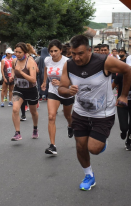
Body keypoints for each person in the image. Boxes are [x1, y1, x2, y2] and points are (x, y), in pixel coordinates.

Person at [58, 35, 131, 191]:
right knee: (80, 146)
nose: (76, 58)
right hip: (80, 111)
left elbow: (127, 70)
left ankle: (100, 142)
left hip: (103, 113)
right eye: (73, 53)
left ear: (89, 50)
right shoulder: (69, 65)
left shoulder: (104, 61)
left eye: (80, 53)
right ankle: (89, 175)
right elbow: (61, 89)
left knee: (94, 148)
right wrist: (68, 91)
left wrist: (123, 95)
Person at [41, 39, 74, 155]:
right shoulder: (47, 60)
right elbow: (46, 69)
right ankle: (52, 145)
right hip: (53, 91)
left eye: (56, 51)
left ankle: (70, 125)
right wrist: (45, 81)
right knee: (51, 116)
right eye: (51, 51)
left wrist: (62, 84)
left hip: (66, 91)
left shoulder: (67, 62)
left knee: (67, 115)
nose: (53, 53)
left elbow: (73, 80)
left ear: (61, 50)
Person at [11, 42, 39, 140]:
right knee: (15, 109)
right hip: (18, 89)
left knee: (33, 112)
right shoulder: (14, 61)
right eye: (16, 52)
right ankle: (17, 133)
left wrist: (21, 72)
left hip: (31, 90)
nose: (17, 54)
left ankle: (35, 128)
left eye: (20, 52)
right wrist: (12, 75)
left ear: (25, 52)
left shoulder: (30, 62)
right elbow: (13, 69)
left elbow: (33, 79)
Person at [112, 48, 131, 151]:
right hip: (122, 103)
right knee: (124, 127)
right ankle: (124, 132)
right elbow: (111, 86)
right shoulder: (120, 75)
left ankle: (129, 140)